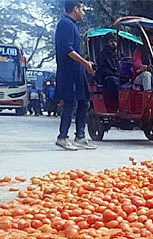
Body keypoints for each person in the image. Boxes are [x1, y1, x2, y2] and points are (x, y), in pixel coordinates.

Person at [54, 0, 97, 151]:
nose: (84, 13)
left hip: (78, 70)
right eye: (82, 9)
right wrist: (85, 62)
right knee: (70, 103)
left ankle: (80, 137)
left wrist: (85, 65)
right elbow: (67, 49)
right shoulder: (64, 24)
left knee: (84, 101)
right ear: (75, 8)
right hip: (68, 71)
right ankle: (62, 137)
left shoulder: (73, 26)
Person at [95, 32, 120, 112]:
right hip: (106, 79)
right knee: (112, 80)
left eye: (115, 41)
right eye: (111, 41)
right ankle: (116, 105)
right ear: (106, 43)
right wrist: (116, 74)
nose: (113, 43)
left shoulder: (120, 55)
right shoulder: (101, 55)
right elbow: (103, 71)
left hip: (119, 77)